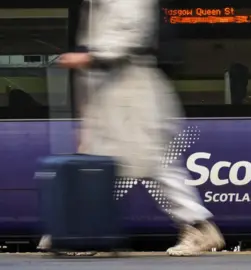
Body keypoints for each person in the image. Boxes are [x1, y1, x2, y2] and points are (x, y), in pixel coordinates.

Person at [37, 0, 224, 256]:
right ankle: (80, 230)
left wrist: (89, 58)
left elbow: (129, 39)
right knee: (101, 162)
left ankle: (197, 226)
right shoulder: (93, 4)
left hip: (133, 92)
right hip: (107, 93)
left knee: (152, 161)